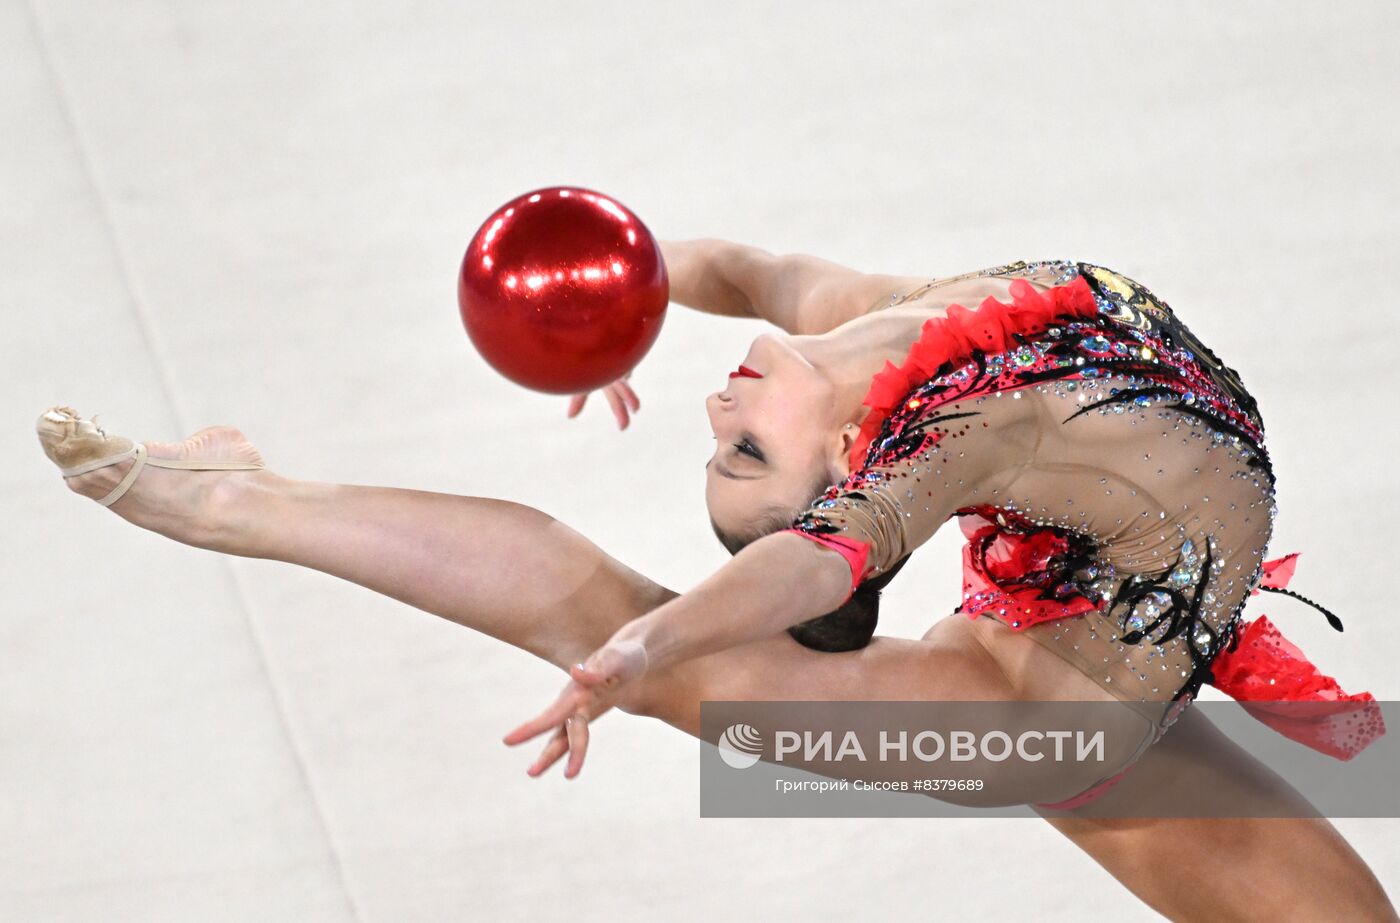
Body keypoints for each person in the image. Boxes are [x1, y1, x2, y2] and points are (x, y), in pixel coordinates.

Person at [34, 241, 1396, 919]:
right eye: (742, 450)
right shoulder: (949, 434)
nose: (713, 413)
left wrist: (615, 302)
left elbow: (741, 267)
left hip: (1087, 662)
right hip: (1038, 729)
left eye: (726, 450)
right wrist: (645, 655)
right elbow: (814, 561)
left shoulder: (870, 326)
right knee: (601, 614)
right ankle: (230, 501)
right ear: (863, 473)